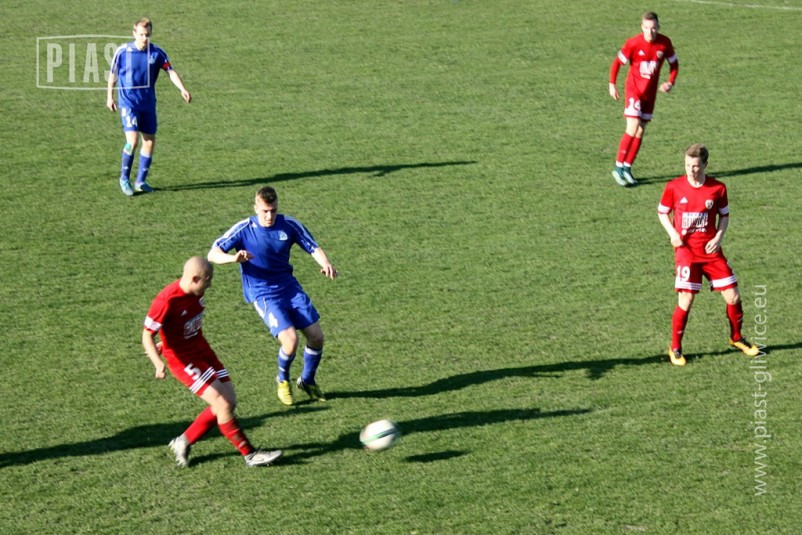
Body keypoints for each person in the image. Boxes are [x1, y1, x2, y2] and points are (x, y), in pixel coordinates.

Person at [142, 256, 283, 467]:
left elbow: (180, 324)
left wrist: (169, 340)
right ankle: (250, 454)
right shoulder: (166, 300)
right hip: (184, 360)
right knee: (222, 404)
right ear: (195, 278)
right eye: (207, 281)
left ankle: (184, 440)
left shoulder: (196, 292)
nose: (209, 285)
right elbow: (147, 335)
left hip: (203, 350)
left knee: (229, 403)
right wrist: (158, 363)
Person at [208, 186, 338, 406]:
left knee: (317, 337)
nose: (269, 216)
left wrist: (325, 263)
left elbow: (312, 246)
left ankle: (307, 381)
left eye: (273, 211)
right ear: (256, 208)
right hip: (263, 293)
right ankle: (283, 380)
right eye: (265, 211)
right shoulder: (244, 228)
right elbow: (213, 253)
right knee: (290, 340)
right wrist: (233, 258)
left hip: (289, 288)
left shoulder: (288, 225)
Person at [657, 144, 760, 366]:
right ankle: (675, 347)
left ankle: (736, 338)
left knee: (733, 296)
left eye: (695, 166)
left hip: (711, 253)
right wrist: (673, 234)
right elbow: (662, 212)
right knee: (686, 299)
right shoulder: (674, 187)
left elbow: (724, 216)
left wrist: (718, 238)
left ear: (705, 165)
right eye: (687, 165)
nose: (691, 170)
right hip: (686, 253)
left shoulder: (718, 188)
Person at [107, 17, 191, 196]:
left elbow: (170, 71)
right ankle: (124, 178)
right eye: (141, 34)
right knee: (133, 141)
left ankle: (140, 181)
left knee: (150, 141)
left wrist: (182, 89)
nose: (144, 38)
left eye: (147, 35)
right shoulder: (123, 52)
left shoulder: (157, 53)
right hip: (129, 103)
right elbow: (112, 75)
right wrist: (109, 97)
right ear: (134, 33)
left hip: (148, 103)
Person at [609, 11, 678, 187]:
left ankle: (627, 167)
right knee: (632, 126)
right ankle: (618, 167)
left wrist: (670, 82)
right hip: (634, 90)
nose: (650, 31)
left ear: (658, 27)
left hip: (650, 93)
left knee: (640, 130)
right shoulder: (633, 43)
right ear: (642, 27)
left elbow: (674, 63)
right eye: (647, 28)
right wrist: (612, 84)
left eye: (653, 28)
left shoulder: (664, 43)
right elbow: (617, 63)